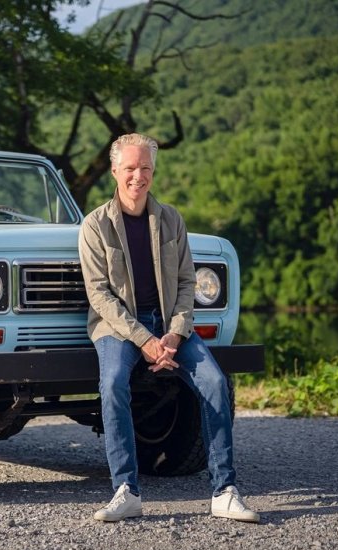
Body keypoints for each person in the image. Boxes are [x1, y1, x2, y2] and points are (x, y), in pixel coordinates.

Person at [78, 133, 259, 523]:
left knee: (213, 381)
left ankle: (225, 491)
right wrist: (144, 340)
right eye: (130, 168)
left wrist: (175, 334)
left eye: (145, 168)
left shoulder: (171, 219)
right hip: (118, 328)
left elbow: (186, 283)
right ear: (115, 171)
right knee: (112, 384)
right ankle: (126, 491)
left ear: (153, 171)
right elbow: (99, 295)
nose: (138, 176)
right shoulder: (95, 225)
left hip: (170, 326)